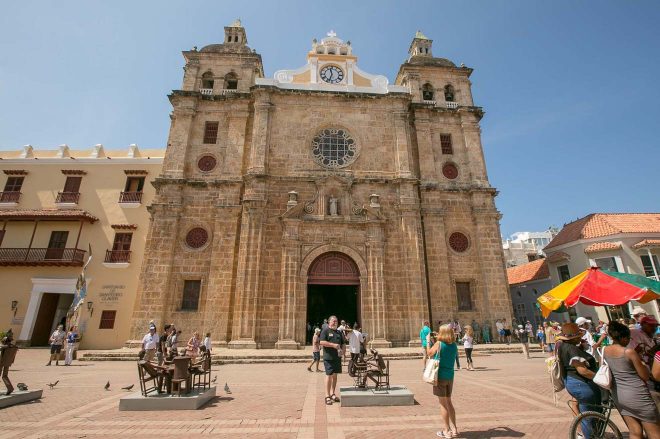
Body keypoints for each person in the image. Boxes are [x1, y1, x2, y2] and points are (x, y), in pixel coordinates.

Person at [603, 321, 660, 439]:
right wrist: (642, 363)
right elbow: (644, 375)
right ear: (623, 338)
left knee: (635, 432)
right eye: (628, 338)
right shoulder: (629, 352)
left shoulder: (605, 350)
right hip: (638, 395)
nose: (629, 340)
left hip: (619, 395)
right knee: (654, 433)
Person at [557, 322, 601, 439]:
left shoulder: (562, 346)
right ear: (574, 338)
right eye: (579, 336)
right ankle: (589, 436)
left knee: (585, 414)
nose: (581, 338)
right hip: (581, 384)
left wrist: (580, 348)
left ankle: (589, 434)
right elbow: (582, 371)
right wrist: (601, 378)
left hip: (571, 381)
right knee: (589, 417)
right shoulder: (572, 349)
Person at [426, 324, 459, 438]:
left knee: (443, 404)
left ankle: (446, 430)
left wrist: (427, 342)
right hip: (450, 377)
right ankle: (454, 429)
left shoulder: (439, 344)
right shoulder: (454, 345)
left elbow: (429, 353)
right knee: (449, 402)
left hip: (440, 377)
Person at [319, 315, 344, 405]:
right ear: (329, 322)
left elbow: (343, 343)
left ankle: (333, 393)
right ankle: (327, 395)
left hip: (337, 357)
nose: (335, 323)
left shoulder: (339, 332)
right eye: (333, 321)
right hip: (328, 357)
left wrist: (343, 352)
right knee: (329, 375)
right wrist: (333, 345)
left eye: (336, 321)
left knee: (335, 375)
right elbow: (321, 342)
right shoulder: (325, 331)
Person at [0, 329, 18, 395]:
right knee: (4, 376)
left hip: (2, 361)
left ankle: (10, 388)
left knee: (3, 375)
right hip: (7, 362)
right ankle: (10, 388)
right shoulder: (13, 346)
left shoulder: (5, 346)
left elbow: (2, 347)